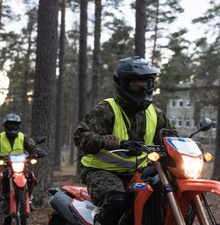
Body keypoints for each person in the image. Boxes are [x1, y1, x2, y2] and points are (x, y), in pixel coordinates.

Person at [74, 56, 178, 225]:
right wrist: (115, 142)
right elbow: (81, 136)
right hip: (102, 170)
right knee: (118, 200)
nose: (143, 90)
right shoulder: (106, 110)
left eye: (147, 84)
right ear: (122, 85)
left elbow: (173, 137)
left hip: (141, 172)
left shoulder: (155, 114)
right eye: (136, 85)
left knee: (168, 195)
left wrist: (192, 147)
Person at [0, 113, 46, 212]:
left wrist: (38, 152)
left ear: (19, 126)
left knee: (31, 177)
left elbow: (32, 146)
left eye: (15, 125)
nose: (13, 127)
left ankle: (29, 198)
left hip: (20, 164)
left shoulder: (23, 137)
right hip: (4, 164)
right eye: (10, 125)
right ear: (5, 126)